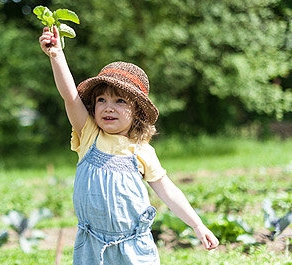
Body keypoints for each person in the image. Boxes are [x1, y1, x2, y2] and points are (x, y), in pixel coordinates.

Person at [39, 26, 219, 265]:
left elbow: (168, 191)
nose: (108, 107)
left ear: (137, 112)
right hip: (91, 243)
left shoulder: (142, 151)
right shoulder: (90, 135)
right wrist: (57, 55)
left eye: (119, 100)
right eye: (101, 100)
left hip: (132, 245)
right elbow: (70, 96)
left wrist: (197, 225)